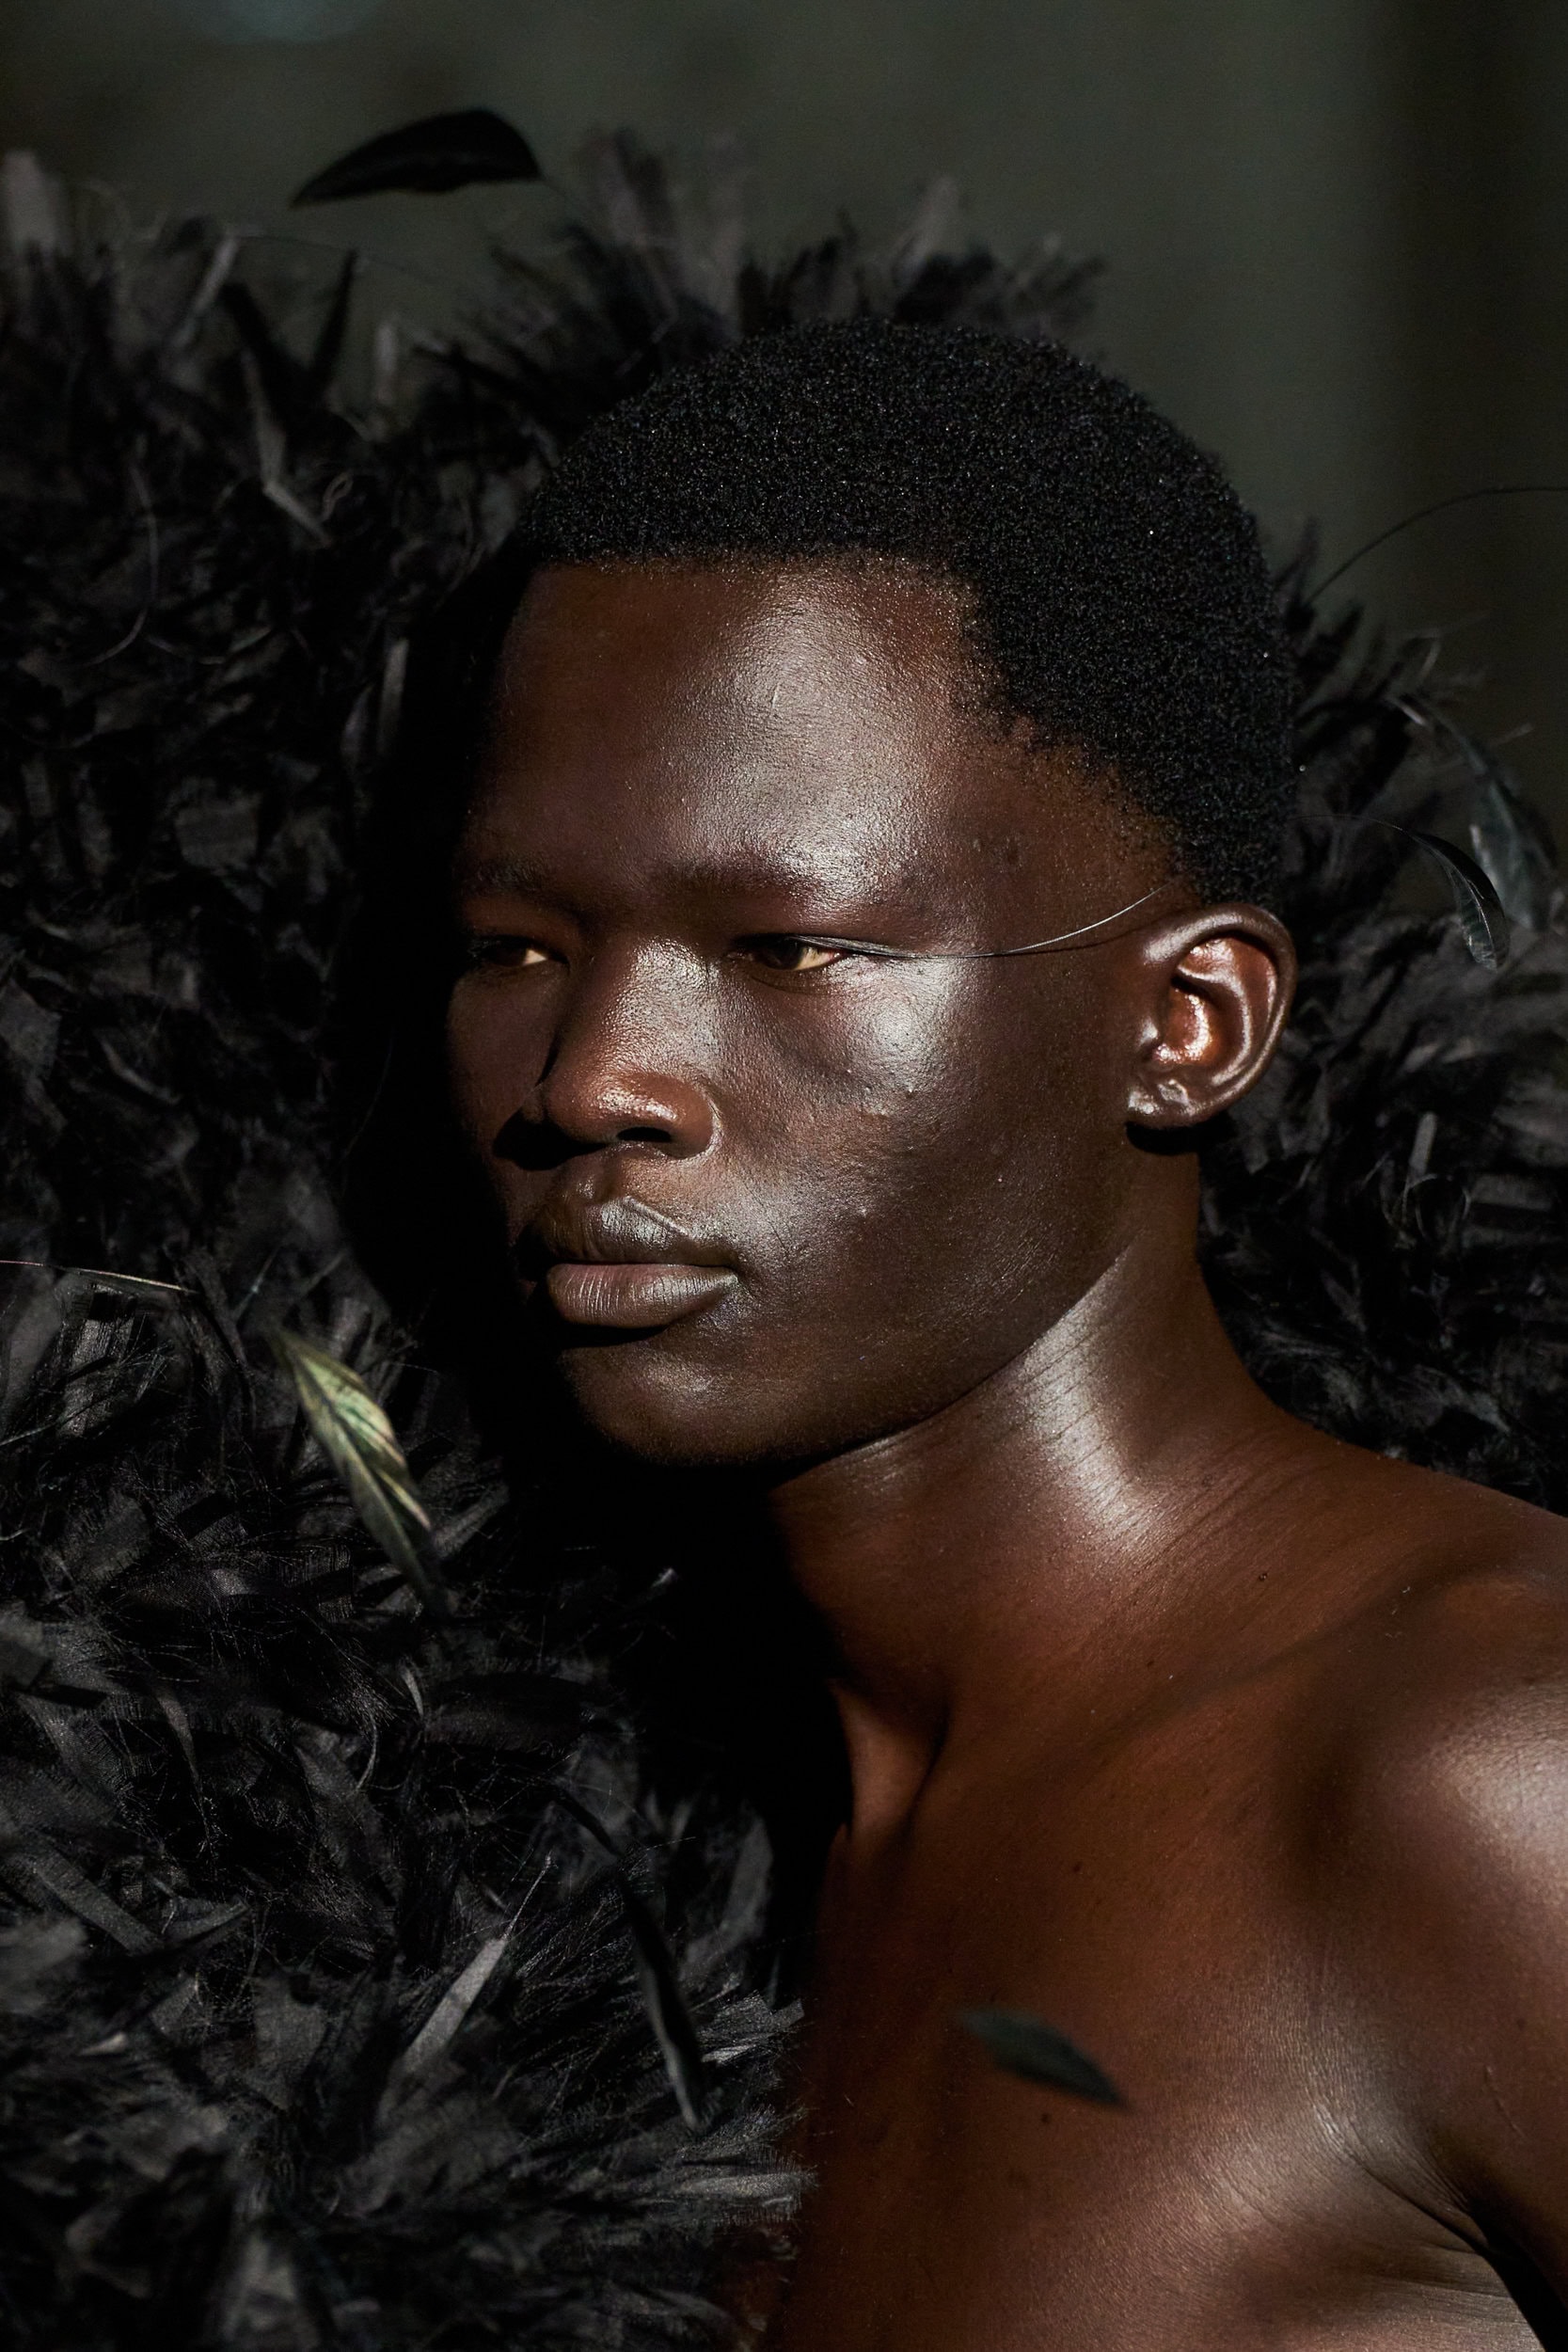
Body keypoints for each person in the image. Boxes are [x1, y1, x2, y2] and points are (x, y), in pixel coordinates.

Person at [438, 316, 1568, 2347]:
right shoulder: (644, 1890)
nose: (596, 1076)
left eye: (789, 947)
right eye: (515, 945)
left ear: (1190, 1022)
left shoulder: (1484, 1760)